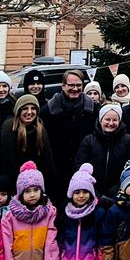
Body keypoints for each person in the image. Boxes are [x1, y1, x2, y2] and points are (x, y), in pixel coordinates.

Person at [40, 71, 99, 210]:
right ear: (63, 85)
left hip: (83, 168)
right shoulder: (48, 111)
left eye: (79, 85)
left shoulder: (92, 109)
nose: (75, 88)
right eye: (71, 85)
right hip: (56, 169)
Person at [0, 94, 56, 197]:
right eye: (25, 109)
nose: (29, 112)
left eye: (33, 109)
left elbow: (48, 163)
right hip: (12, 188)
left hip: (36, 190)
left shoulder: (42, 131)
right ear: (18, 111)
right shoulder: (5, 132)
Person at [73, 102, 130, 200]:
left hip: (120, 194)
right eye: (107, 119)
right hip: (93, 194)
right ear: (100, 120)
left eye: (115, 120)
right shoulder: (89, 140)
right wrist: (95, 191)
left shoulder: (129, 141)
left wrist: (116, 189)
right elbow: (79, 168)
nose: (111, 123)